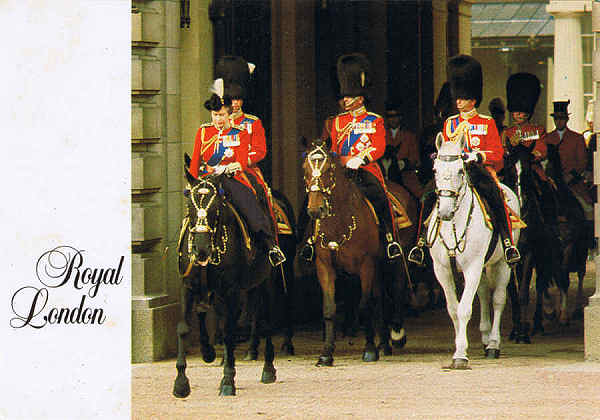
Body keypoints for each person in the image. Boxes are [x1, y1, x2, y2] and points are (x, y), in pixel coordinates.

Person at [408, 54, 520, 266]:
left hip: (479, 171)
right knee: (429, 195)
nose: (458, 101)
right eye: (457, 97)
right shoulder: (450, 123)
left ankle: (507, 243)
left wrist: (478, 156)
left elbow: (497, 154)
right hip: (454, 173)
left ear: (473, 99)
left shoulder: (486, 123)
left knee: (496, 196)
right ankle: (421, 243)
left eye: (463, 97)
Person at [301, 53, 402, 260]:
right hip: (341, 172)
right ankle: (309, 241)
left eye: (349, 96)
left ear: (360, 97)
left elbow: (379, 147)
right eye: (344, 96)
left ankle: (390, 238)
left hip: (366, 170)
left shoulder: (374, 120)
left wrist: (362, 159)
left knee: (379, 197)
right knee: (313, 198)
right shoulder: (337, 122)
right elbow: (335, 148)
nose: (345, 99)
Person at [189, 91, 286, 267]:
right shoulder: (203, 132)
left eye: (222, 115)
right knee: (195, 206)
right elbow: (196, 161)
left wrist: (227, 168)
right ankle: (189, 248)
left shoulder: (239, 133)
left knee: (247, 200)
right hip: (208, 179)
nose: (218, 119)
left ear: (228, 114)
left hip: (231, 178)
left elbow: (241, 161)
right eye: (215, 115)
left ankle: (267, 241)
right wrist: (192, 182)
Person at [214, 56, 278, 236]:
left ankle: (267, 238)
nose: (234, 104)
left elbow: (260, 150)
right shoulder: (216, 123)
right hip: (220, 171)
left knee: (260, 194)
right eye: (231, 100)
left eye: (238, 99)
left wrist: (241, 163)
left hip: (246, 171)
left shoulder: (253, 122)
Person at [544, 100, 595, 221]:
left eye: (561, 118)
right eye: (556, 119)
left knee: (588, 209)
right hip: (552, 182)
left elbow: (582, 162)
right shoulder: (547, 138)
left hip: (572, 182)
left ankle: (590, 234)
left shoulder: (577, 138)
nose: (558, 121)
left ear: (567, 119)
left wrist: (570, 176)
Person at [501, 73, 549, 185]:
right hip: (511, 170)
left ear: (528, 113)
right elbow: (502, 152)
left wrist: (532, 156)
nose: (517, 114)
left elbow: (542, 150)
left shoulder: (538, 130)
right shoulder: (507, 133)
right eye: (515, 111)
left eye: (521, 111)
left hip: (532, 169)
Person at [378, 104, 423, 199]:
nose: (393, 119)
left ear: (400, 117)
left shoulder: (410, 136)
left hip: (405, 175)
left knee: (419, 197)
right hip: (384, 175)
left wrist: (404, 163)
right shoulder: (381, 135)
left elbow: (416, 159)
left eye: (395, 116)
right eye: (390, 116)